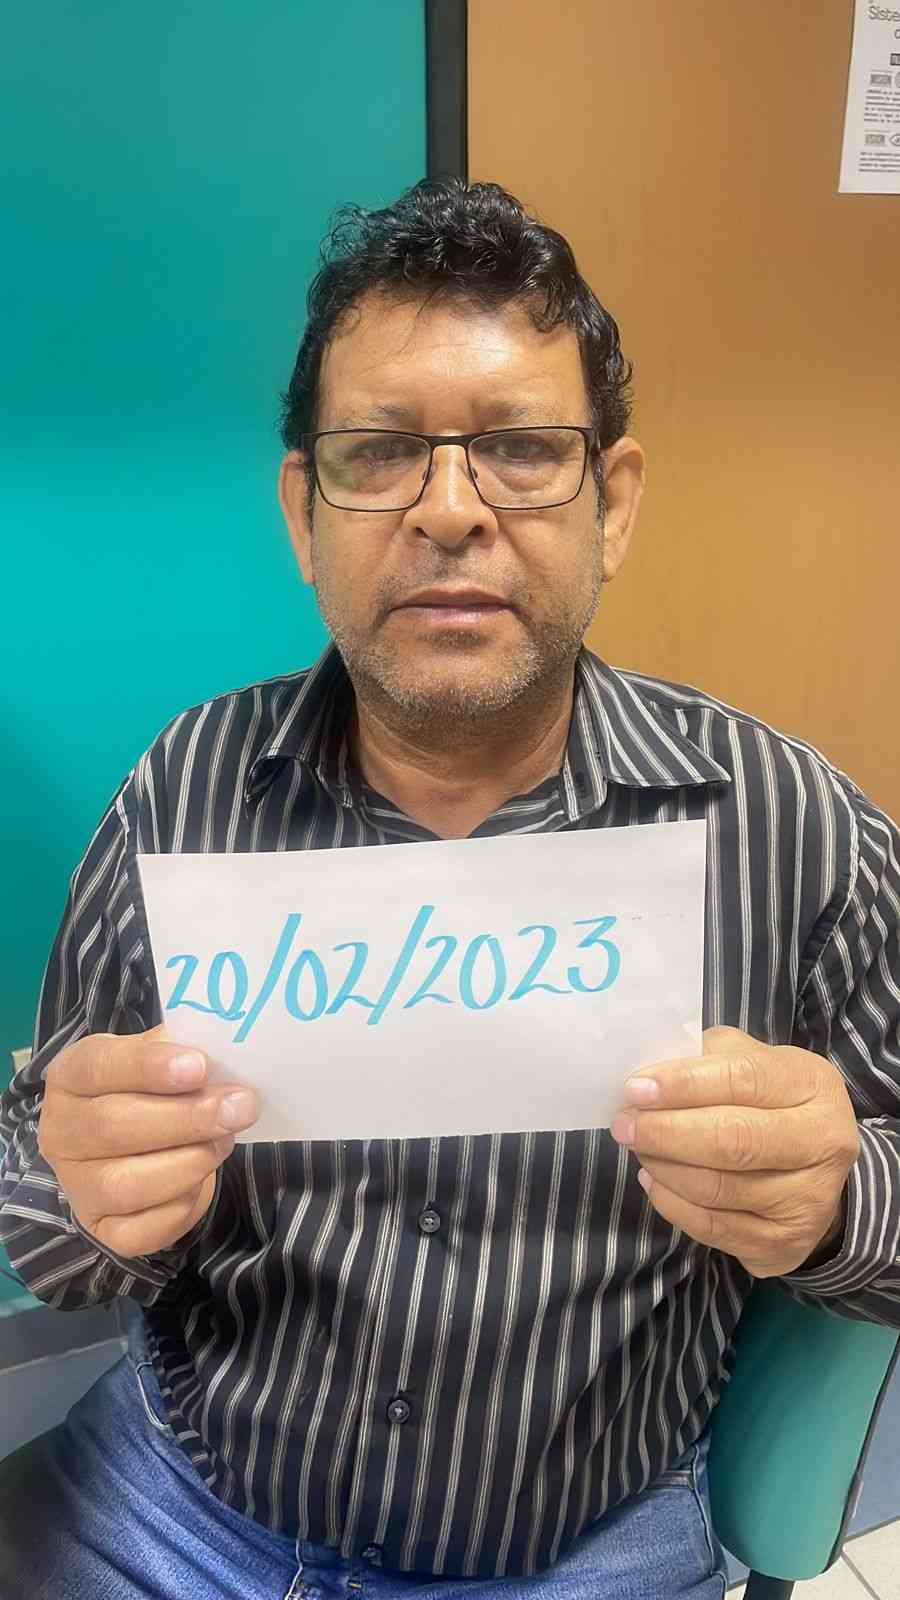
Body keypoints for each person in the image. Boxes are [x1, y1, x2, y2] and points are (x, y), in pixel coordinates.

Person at [0, 177, 898, 1600]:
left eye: (523, 451)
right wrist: (71, 1187)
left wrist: (840, 1199)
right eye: (378, 455)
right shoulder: (184, 789)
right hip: (178, 1513)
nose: (450, 511)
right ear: (305, 514)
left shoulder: (797, 827)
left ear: (613, 505)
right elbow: (34, 1184)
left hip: (584, 1549)